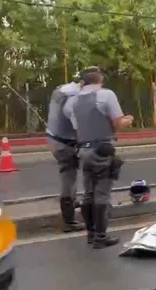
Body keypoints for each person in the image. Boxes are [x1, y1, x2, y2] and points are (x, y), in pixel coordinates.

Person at [67, 66, 133, 249]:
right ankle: (101, 237)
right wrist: (128, 120)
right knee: (102, 194)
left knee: (88, 194)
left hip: (84, 150)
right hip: (102, 150)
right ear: (100, 80)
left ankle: (91, 234)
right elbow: (117, 123)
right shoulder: (106, 95)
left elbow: (77, 128)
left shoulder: (74, 101)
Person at [46, 78, 85, 233]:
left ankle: (72, 201)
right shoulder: (74, 100)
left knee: (71, 174)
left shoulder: (62, 88)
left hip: (54, 138)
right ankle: (69, 221)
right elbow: (80, 128)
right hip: (64, 144)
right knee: (69, 179)